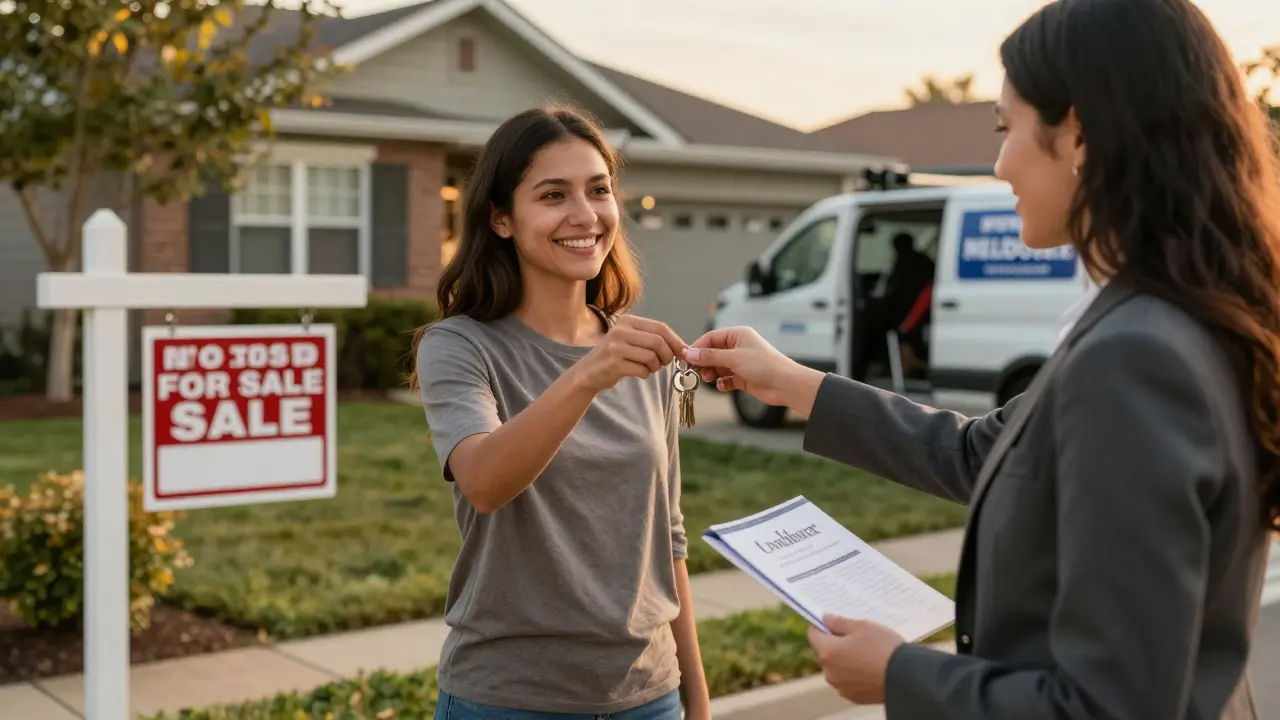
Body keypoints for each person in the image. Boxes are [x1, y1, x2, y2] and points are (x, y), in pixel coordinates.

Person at [682, 0, 1280, 717]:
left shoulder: (1134, 357)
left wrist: (899, 674)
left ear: (1081, 134)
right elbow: (980, 453)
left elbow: (1110, 706)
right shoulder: (1181, 320)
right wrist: (797, 384)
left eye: (1007, 128)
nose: (998, 165)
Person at [410, 106, 710, 720]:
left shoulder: (640, 353)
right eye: (553, 195)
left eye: (599, 190)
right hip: (508, 700)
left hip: (650, 698)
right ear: (500, 218)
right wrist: (589, 374)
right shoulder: (459, 347)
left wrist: (696, 701)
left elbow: (668, 537)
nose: (585, 215)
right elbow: (485, 482)